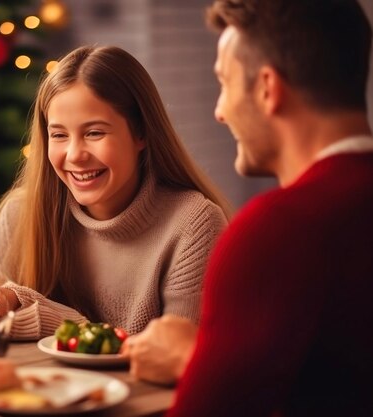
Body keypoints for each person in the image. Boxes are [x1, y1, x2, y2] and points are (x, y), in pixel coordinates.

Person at [123, 1, 373, 416]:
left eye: (224, 82)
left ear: (267, 89)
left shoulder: (277, 230)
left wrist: (197, 363)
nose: (220, 112)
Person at [0, 45, 230, 340]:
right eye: (59, 135)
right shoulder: (18, 216)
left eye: (94, 133)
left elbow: (176, 360)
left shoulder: (194, 226)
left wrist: (44, 316)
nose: (75, 155)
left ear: (141, 132)